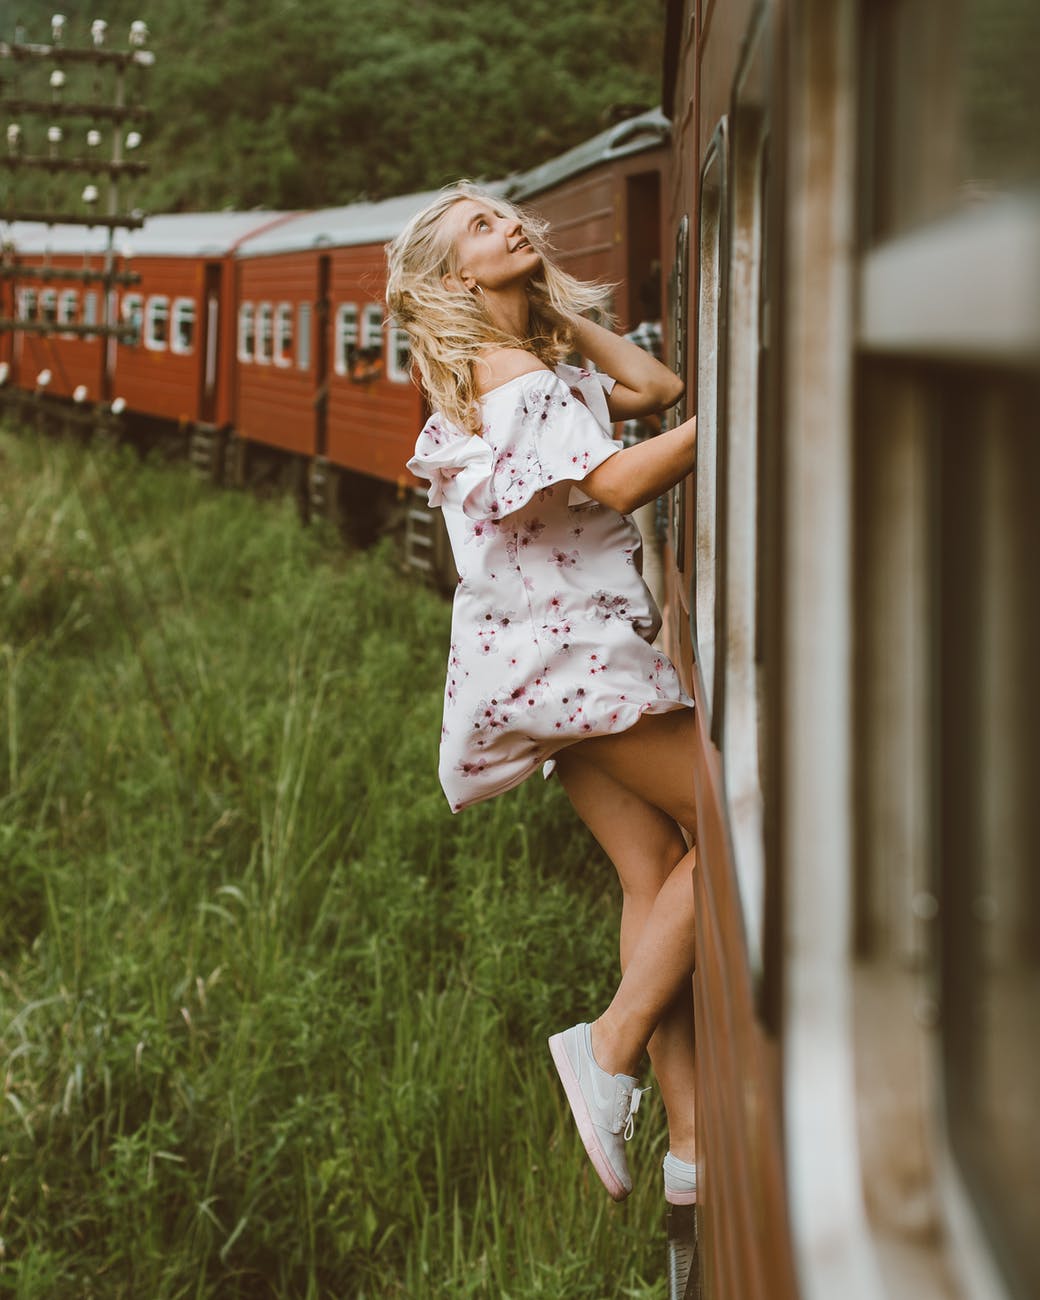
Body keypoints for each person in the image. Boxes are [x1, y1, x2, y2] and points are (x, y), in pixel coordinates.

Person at [385, 183, 700, 1210]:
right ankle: (605, 1049)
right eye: (480, 226)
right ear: (451, 278)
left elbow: (654, 387)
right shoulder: (507, 373)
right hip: (573, 667)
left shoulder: (527, 367)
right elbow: (617, 482)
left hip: (539, 669)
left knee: (653, 874)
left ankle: (687, 1147)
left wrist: (561, 316)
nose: (507, 223)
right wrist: (743, 413)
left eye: (506, 212)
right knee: (745, 814)